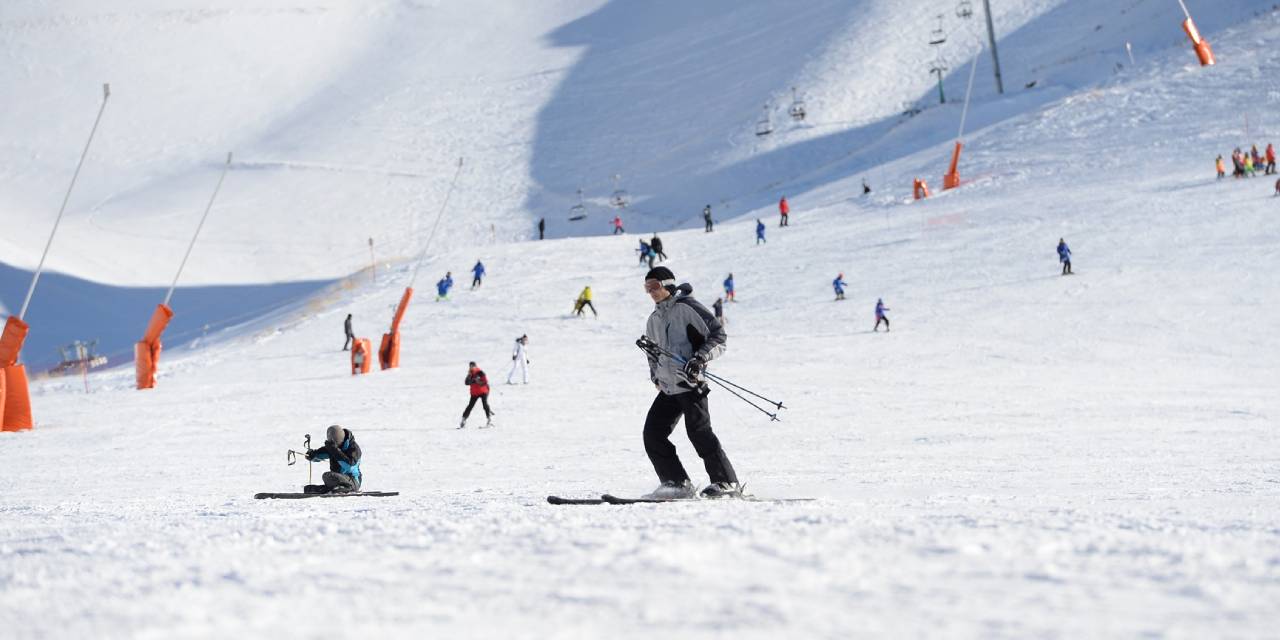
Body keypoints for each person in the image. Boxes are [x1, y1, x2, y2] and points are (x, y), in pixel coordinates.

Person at [638, 266, 739, 499]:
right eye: (647, 288)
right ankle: (676, 483)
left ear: (667, 284)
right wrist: (656, 376)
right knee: (652, 434)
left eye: (654, 286)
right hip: (668, 387)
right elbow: (652, 354)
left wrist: (699, 358)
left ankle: (726, 483)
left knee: (699, 433)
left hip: (690, 383)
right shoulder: (653, 319)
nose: (650, 292)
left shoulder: (687, 308)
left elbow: (718, 336)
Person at [304, 425, 361, 494]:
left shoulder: (353, 448)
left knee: (327, 476)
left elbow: (349, 466)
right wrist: (312, 455)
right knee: (308, 488)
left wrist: (334, 450)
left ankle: (346, 488)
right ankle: (335, 489)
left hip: (353, 481)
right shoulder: (333, 448)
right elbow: (320, 455)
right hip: (338, 480)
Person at [459, 362, 493, 428]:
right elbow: (466, 382)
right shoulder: (470, 373)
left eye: (472, 366)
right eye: (470, 366)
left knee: (485, 404)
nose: (471, 368)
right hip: (474, 393)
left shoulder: (480, 372)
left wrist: (479, 381)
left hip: (483, 391)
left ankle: (489, 419)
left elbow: (485, 382)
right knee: (470, 406)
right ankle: (463, 419)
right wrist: (473, 380)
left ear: (475, 366)